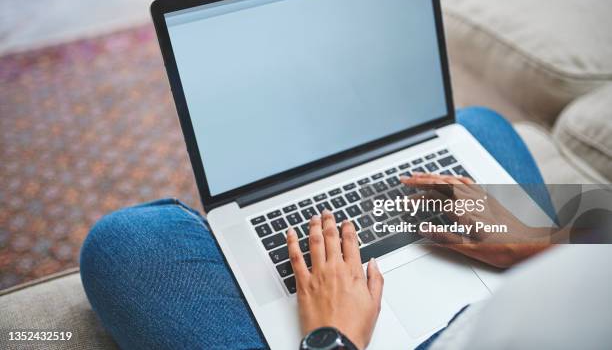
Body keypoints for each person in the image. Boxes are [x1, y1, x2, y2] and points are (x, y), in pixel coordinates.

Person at [79, 107, 559, 349]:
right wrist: (540, 247)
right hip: (543, 308)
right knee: (480, 125)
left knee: (127, 243)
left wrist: (333, 336)